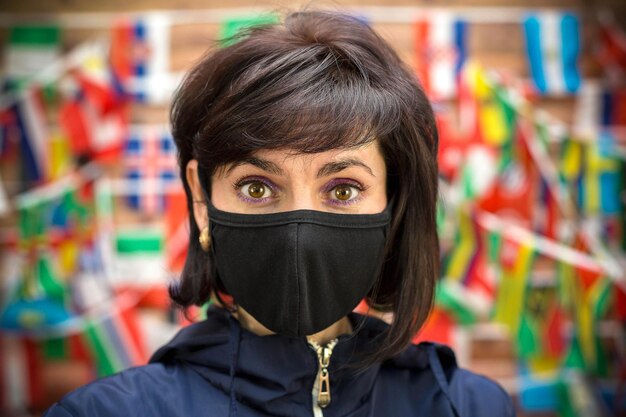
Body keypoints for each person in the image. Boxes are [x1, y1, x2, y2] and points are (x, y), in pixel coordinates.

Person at [44, 10, 515, 417]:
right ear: (202, 201)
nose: (299, 232)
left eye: (344, 189)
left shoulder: (468, 406)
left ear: (394, 206)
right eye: (257, 186)